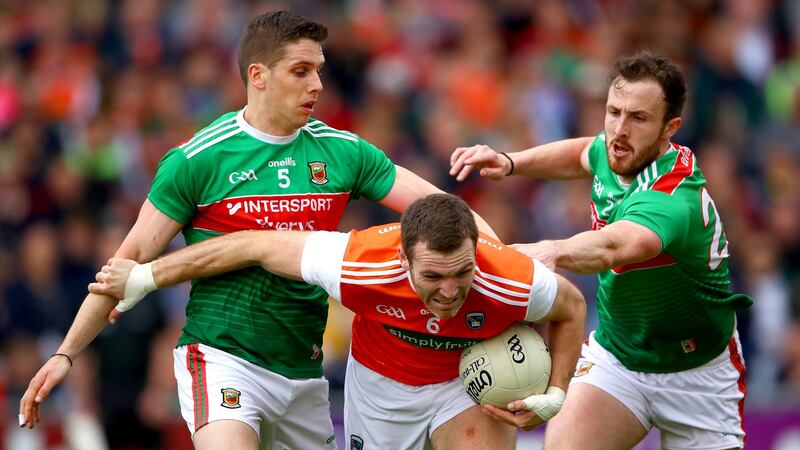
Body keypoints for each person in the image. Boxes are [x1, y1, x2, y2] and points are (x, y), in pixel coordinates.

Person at [19, 11, 497, 450]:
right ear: (258, 76)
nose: (317, 84)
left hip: (304, 371)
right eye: (300, 71)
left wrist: (515, 264)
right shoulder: (198, 159)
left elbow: (444, 211)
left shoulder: (344, 152)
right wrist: (66, 353)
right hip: (222, 356)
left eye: (320, 70)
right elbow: (127, 262)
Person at [88, 193, 586, 450]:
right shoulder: (358, 262)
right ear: (404, 261)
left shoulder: (511, 279)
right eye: (433, 276)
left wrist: (557, 393)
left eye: (462, 272)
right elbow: (254, 244)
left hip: (464, 385)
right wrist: (148, 275)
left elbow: (571, 309)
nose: (451, 292)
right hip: (382, 388)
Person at [450, 52, 753, 450]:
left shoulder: (674, 196)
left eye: (639, 118)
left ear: (670, 128)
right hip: (620, 358)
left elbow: (616, 246)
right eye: (614, 112)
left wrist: (553, 250)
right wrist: (510, 162)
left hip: (699, 374)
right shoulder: (617, 151)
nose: (619, 130)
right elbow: (582, 154)